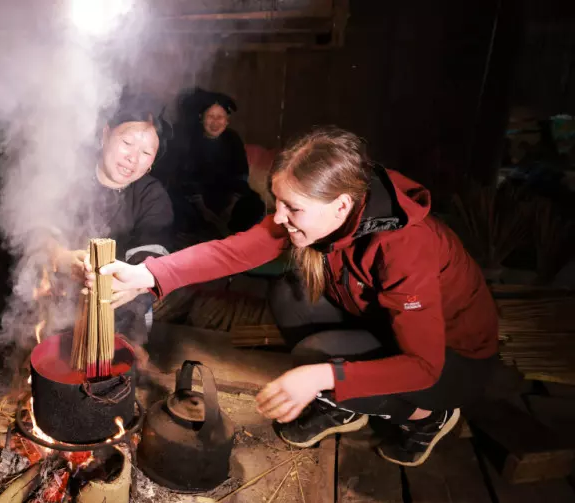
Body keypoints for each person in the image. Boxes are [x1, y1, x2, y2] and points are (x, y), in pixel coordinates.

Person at [86, 126, 500, 467]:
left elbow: (424, 366)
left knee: (318, 356)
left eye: (292, 209)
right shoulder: (338, 206)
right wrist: (148, 274)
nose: (280, 219)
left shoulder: (407, 245)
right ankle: (349, 400)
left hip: (450, 360)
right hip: (384, 324)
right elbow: (235, 250)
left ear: (340, 206)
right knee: (289, 293)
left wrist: (324, 377)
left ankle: (428, 415)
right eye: (277, 203)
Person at [54, 94, 174, 345]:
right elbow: (36, 229)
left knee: (120, 353)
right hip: (60, 297)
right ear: (105, 134)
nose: (133, 158)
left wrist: (134, 284)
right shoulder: (67, 177)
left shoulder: (152, 195)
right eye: (127, 142)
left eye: (146, 152)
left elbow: (151, 258)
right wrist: (60, 257)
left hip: (123, 304)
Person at [175, 90, 265, 237]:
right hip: (197, 199)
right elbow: (186, 178)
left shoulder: (233, 139)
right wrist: (203, 210)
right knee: (180, 208)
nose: (215, 122)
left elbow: (241, 174)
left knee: (254, 204)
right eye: (210, 116)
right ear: (201, 117)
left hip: (227, 197)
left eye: (220, 117)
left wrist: (230, 207)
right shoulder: (190, 139)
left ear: (227, 120)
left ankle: (226, 231)